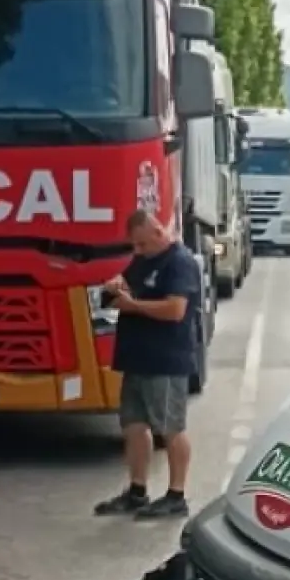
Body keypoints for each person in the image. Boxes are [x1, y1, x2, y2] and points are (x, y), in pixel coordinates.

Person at [93, 208, 202, 520]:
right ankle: (137, 491)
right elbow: (126, 281)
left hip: (164, 360)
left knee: (171, 428)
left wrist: (133, 306)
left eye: (142, 243)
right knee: (134, 425)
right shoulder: (143, 259)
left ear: (158, 232)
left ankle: (176, 495)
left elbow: (175, 309)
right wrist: (115, 285)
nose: (137, 250)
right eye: (134, 245)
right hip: (136, 358)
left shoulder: (179, 262)